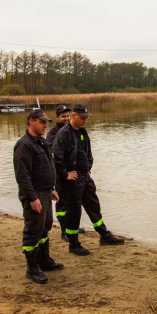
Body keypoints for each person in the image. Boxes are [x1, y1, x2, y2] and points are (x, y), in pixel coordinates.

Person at [51, 104, 125, 255]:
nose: (85, 120)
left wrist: (88, 167)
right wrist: (65, 174)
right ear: (73, 116)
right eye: (82, 118)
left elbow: (88, 153)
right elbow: (56, 158)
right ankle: (74, 244)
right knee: (74, 212)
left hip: (85, 176)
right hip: (72, 180)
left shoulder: (83, 131)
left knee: (93, 205)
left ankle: (104, 235)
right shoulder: (64, 134)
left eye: (86, 118)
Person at [14, 108, 64, 283]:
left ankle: (44, 260)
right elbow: (23, 175)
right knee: (33, 230)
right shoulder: (24, 145)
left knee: (45, 226)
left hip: (45, 192)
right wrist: (32, 197)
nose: (45, 125)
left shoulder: (41, 142)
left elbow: (45, 167)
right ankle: (32, 268)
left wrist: (51, 188)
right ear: (31, 121)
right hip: (34, 194)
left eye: (46, 122)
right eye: (41, 122)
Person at [46, 104, 71, 238]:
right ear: (57, 117)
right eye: (63, 116)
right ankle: (63, 230)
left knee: (71, 200)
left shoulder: (72, 130)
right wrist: (62, 172)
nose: (66, 118)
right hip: (59, 173)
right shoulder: (53, 133)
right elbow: (51, 154)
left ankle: (72, 225)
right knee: (61, 201)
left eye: (68, 116)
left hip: (71, 172)